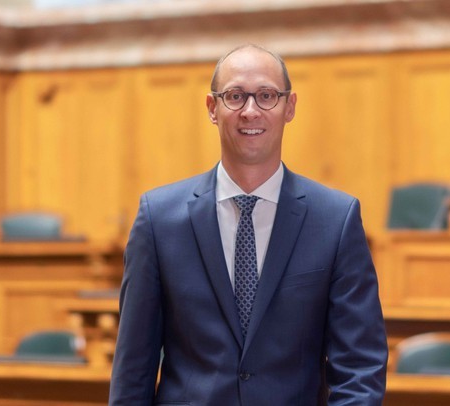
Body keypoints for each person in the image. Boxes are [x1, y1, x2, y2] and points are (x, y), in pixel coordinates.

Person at [109, 44, 388, 405]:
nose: (250, 111)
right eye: (235, 96)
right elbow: (134, 368)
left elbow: (360, 369)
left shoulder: (336, 219)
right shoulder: (158, 219)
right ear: (213, 108)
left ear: (290, 107)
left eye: (267, 96)